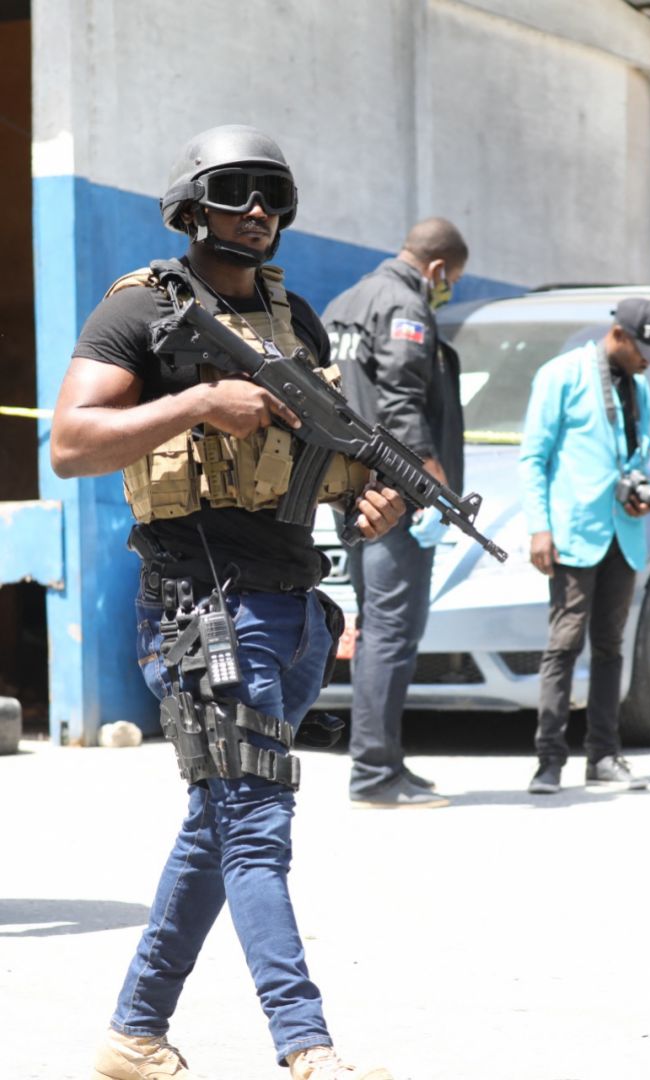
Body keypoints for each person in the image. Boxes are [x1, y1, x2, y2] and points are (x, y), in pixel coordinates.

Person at [50, 125, 404, 1080]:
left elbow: (314, 472)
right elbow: (72, 442)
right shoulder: (139, 312)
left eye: (274, 195)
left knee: (220, 824)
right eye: (238, 191)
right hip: (199, 608)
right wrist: (198, 404)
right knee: (254, 827)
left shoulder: (300, 327)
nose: (258, 211)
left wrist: (365, 500)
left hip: (292, 607)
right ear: (191, 204)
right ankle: (307, 1047)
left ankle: (134, 1032)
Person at [322, 218, 468, 809]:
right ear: (437, 269)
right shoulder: (405, 303)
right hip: (395, 496)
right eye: (449, 281)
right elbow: (401, 398)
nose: (445, 289)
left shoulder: (344, 302)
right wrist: (429, 476)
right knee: (392, 630)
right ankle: (377, 775)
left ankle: (386, 762)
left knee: (377, 626)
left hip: (350, 488)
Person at [519, 298, 650, 794]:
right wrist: (539, 528)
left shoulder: (639, 386)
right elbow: (533, 458)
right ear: (620, 336)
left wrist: (639, 491)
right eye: (645, 348)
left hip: (622, 533)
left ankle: (605, 755)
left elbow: (638, 451)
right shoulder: (560, 375)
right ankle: (548, 760)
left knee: (610, 647)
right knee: (563, 646)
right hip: (571, 533)